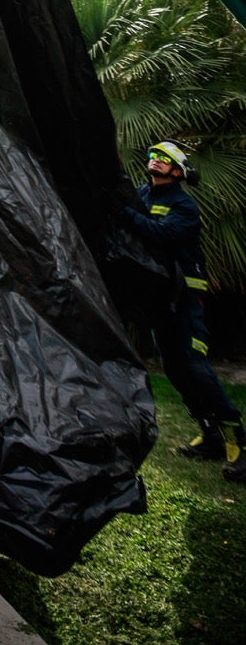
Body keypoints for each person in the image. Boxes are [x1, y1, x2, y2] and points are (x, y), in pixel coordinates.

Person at [119, 140, 244, 483]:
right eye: (153, 156)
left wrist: (123, 213)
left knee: (194, 363)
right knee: (173, 367)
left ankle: (238, 440)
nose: (156, 161)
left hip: (186, 295)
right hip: (160, 297)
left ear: (178, 170)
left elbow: (161, 235)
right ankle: (210, 435)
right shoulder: (142, 194)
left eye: (165, 158)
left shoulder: (184, 206)